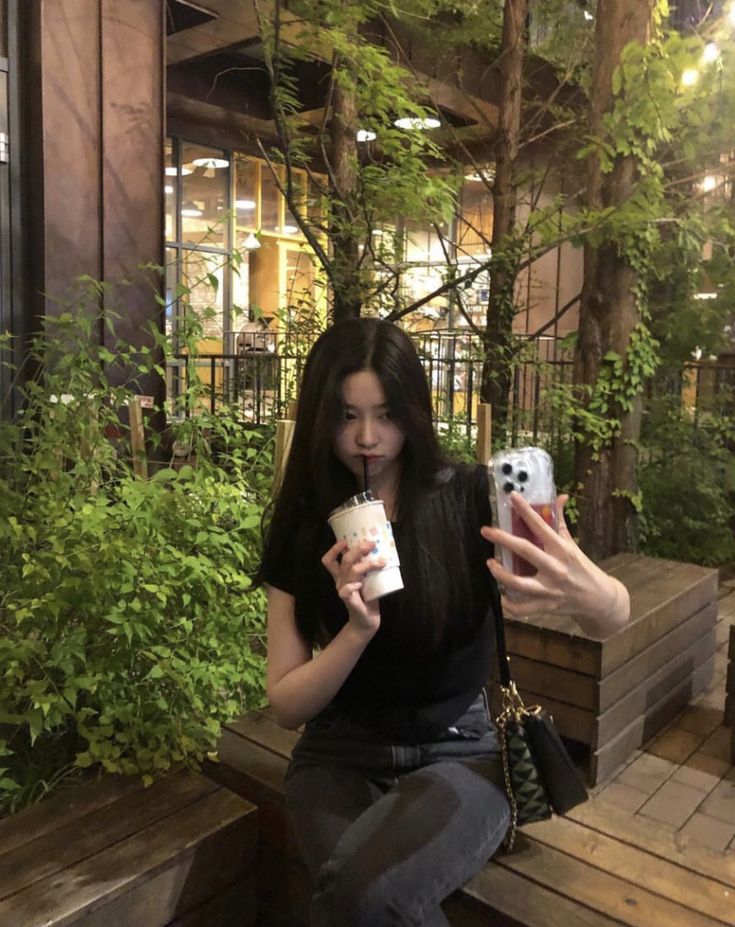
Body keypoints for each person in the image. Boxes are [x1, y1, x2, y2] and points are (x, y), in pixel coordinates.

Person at [257, 318, 629, 927]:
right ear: (323, 416)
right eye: (348, 416)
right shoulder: (305, 522)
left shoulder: (469, 501)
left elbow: (614, 615)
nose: (368, 438)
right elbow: (287, 705)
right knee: (361, 901)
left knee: (360, 898)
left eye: (386, 414)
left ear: (415, 410)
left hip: (462, 753)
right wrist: (356, 632)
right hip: (338, 753)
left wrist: (587, 591)